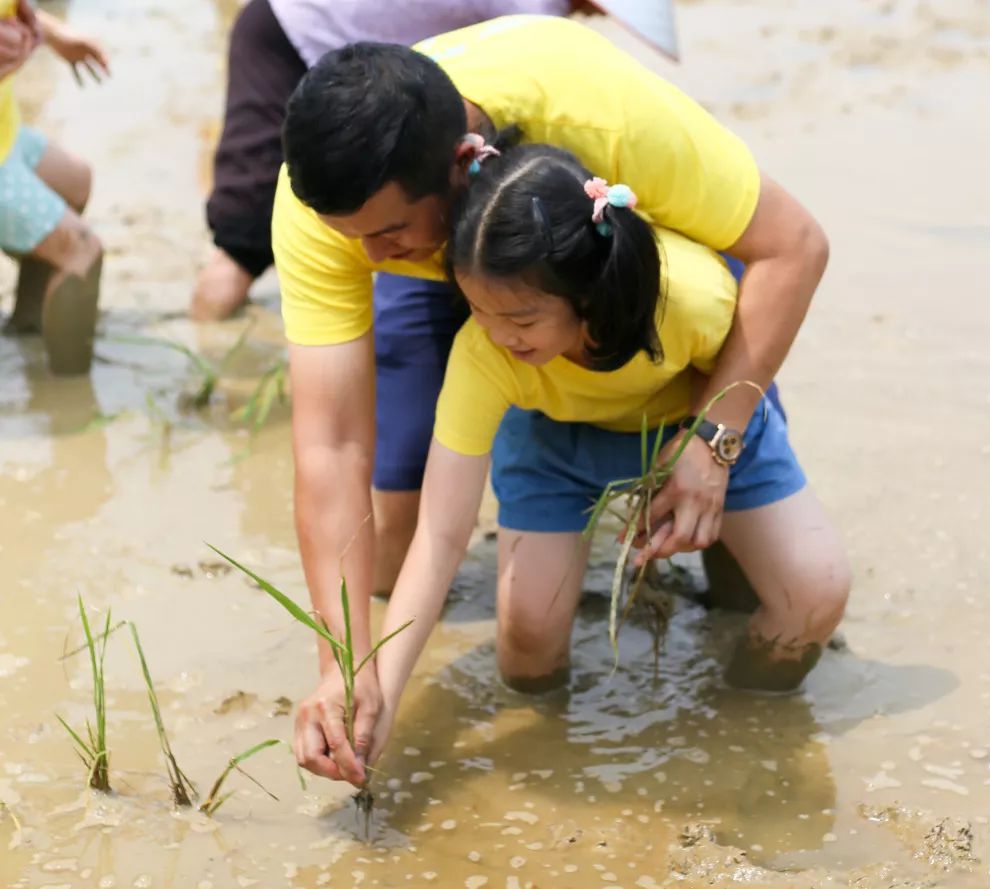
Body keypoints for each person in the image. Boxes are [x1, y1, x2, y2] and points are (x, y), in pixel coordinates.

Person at [273, 15, 837, 786]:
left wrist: (712, 444)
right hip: (478, 285)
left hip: (641, 295)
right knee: (411, 547)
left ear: (463, 163)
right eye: (349, 237)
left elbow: (793, 248)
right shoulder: (330, 212)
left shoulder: (598, 109)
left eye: (387, 232)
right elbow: (330, 444)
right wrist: (344, 661)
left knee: (744, 580)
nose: (366, 259)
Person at [365, 143, 850, 763]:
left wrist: (713, 448)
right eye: (479, 310)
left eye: (521, 318)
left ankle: (741, 729)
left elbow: (747, 376)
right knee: (528, 637)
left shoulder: (693, 298)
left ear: (588, 295)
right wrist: (381, 692)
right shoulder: (485, 354)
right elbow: (439, 534)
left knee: (813, 594)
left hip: (697, 420)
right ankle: (554, 749)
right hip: (552, 444)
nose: (498, 335)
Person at [190, 0, 580, 322]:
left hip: (363, 71)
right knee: (242, 242)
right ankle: (206, 343)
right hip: (291, 39)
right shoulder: (537, 9)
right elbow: (545, 65)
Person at [0, 1, 108, 375]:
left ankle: (27, 324)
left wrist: (54, 34)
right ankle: (70, 396)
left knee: (74, 181)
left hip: (5, 138)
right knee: (82, 253)